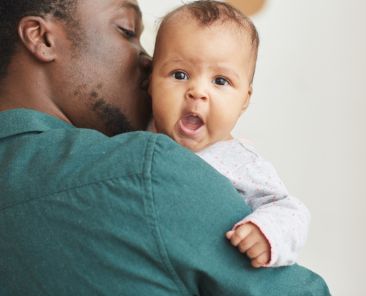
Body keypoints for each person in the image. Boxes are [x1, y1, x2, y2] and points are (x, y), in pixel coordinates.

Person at [0, 0, 330, 295]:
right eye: (127, 30)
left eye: (220, 80)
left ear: (245, 99)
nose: (147, 62)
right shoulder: (147, 168)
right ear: (41, 38)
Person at [149, 0, 309, 268]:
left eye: (220, 81)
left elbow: (291, 212)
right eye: (179, 74)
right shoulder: (140, 134)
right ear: (150, 81)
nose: (197, 91)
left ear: (244, 100)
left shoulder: (241, 162)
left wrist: (265, 232)